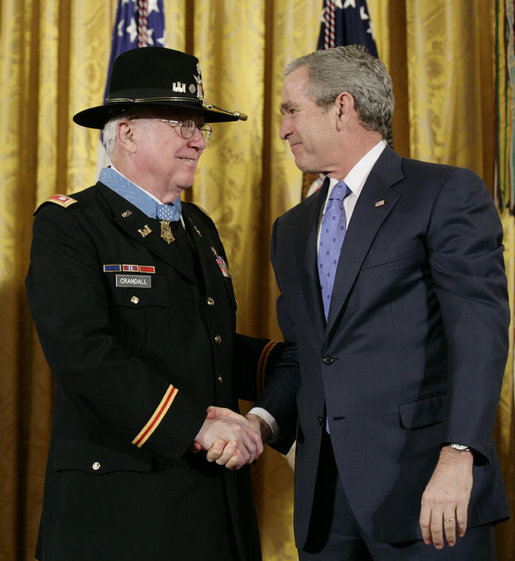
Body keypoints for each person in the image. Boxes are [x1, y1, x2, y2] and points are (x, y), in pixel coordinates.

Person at [207, 45, 511, 560]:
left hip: (427, 491)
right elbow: (308, 355)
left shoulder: (442, 192)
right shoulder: (293, 228)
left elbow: (477, 332)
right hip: (326, 504)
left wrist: (459, 456)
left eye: (291, 110)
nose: (283, 129)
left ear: (342, 107)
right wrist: (261, 420)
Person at [25, 46, 282, 561]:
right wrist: (196, 425)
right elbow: (84, 355)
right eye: (179, 123)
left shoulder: (200, 228)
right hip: (122, 508)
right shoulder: (70, 225)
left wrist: (291, 364)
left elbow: (203, 343)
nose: (196, 140)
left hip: (214, 504)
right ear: (127, 132)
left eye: (200, 127)